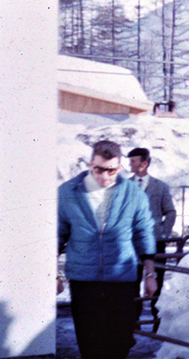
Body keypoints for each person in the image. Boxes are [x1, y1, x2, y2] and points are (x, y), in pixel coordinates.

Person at [58, 140, 156, 359]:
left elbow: (144, 233)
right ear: (90, 163)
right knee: (90, 342)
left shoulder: (133, 194)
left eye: (111, 170)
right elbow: (56, 234)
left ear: (119, 167)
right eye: (99, 169)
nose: (104, 176)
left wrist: (150, 273)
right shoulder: (68, 192)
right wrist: (53, 274)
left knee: (120, 342)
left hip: (121, 279)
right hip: (84, 281)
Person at [128, 147, 176, 329]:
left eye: (134, 161)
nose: (130, 164)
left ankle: (157, 322)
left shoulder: (160, 187)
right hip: (131, 243)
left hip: (155, 242)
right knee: (132, 282)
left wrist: (163, 233)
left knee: (157, 281)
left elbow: (170, 212)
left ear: (144, 163)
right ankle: (133, 322)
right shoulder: (125, 186)